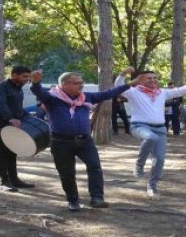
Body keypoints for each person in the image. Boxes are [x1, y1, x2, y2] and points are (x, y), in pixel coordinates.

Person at [30, 69, 135, 211]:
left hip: (85, 141)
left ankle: (97, 198)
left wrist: (130, 84)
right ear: (64, 84)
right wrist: (36, 82)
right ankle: (73, 201)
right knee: (67, 173)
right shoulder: (52, 98)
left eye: (82, 83)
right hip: (61, 142)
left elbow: (108, 93)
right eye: (77, 83)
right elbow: (38, 92)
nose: (81, 86)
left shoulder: (86, 97)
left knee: (95, 167)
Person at [116, 69, 186, 198]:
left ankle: (152, 186)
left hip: (160, 129)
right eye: (149, 78)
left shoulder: (162, 93)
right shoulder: (133, 92)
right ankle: (139, 165)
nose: (153, 80)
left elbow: (182, 90)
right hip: (139, 126)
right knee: (150, 137)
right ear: (140, 80)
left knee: (159, 159)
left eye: (155, 78)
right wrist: (123, 75)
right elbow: (118, 87)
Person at [0, 65, 35, 192]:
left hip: (14, 126)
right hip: (1, 125)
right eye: (24, 76)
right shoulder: (2, 87)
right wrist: (10, 118)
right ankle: (4, 182)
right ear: (14, 75)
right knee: (3, 153)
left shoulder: (19, 89)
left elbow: (18, 108)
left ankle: (14, 179)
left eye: (28, 76)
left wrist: (28, 116)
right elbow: (1, 104)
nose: (27, 79)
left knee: (12, 153)